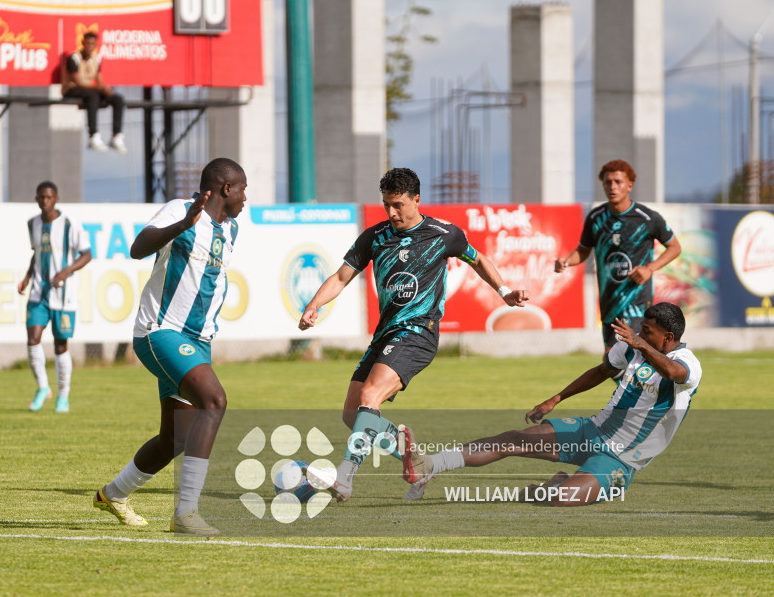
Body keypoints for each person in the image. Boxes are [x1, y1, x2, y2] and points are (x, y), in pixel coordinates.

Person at [298, 167, 529, 503]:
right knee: (352, 415)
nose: (392, 213)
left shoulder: (443, 234)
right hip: (385, 335)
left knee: (370, 396)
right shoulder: (375, 237)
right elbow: (340, 276)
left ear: (416, 199)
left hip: (419, 332)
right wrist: (313, 305)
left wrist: (504, 291)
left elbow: (478, 260)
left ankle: (345, 478)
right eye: (386, 205)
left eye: (398, 205)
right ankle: (413, 457)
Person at [402, 302, 701, 506]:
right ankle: (429, 465)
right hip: (592, 431)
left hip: (622, 458)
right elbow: (601, 371)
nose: (640, 334)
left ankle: (550, 488)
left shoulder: (686, 362)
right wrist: (556, 398)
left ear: (669, 337)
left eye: (648, 331)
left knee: (561, 500)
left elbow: (674, 374)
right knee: (512, 440)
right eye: (642, 329)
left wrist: (641, 344)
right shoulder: (634, 347)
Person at [93, 158, 247, 535]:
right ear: (225, 188)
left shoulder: (232, 230)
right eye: (243, 188)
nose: (246, 197)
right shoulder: (180, 209)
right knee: (215, 402)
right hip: (160, 332)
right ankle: (187, 512)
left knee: (174, 438)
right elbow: (137, 248)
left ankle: (112, 494)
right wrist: (182, 225)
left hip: (199, 341)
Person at [554, 159, 681, 358]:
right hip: (609, 303)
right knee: (617, 362)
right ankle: (646, 388)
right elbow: (583, 250)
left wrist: (649, 268)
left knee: (619, 358)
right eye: (608, 182)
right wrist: (566, 261)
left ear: (630, 185)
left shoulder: (647, 218)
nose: (612, 187)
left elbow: (674, 247)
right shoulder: (596, 218)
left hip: (637, 303)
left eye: (618, 182)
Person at [18, 181, 92, 413]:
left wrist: (64, 272)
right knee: (32, 339)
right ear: (36, 199)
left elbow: (87, 254)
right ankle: (42, 387)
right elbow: (37, 254)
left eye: (49, 197)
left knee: (60, 346)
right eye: (41, 197)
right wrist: (28, 277)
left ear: (56, 198)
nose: (45, 201)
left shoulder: (70, 224)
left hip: (63, 294)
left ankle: (63, 396)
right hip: (39, 292)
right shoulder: (33, 224)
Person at [61, 31, 126, 153]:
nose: (89, 47)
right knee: (93, 95)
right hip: (72, 89)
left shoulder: (97, 58)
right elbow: (78, 82)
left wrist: (106, 89)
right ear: (82, 43)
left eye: (92, 44)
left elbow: (99, 80)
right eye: (87, 43)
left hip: (90, 89)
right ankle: (93, 135)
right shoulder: (74, 58)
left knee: (117, 98)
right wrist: (98, 88)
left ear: (96, 44)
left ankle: (117, 136)